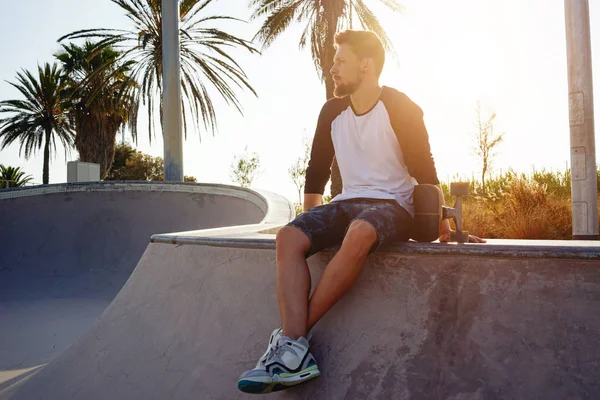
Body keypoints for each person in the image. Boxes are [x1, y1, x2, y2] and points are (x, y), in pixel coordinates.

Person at [237, 29, 486, 395]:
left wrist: (442, 224)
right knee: (289, 236)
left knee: (360, 231)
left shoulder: (401, 106)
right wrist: (311, 231)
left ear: (366, 66)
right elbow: (316, 170)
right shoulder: (332, 111)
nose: (333, 68)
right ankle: (294, 348)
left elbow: (425, 170)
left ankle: (290, 343)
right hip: (345, 201)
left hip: (393, 204)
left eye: (341, 61)